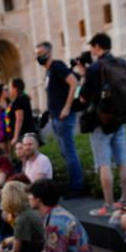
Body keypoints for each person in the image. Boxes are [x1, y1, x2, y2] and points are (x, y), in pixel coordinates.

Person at [82, 33, 126, 217]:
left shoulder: (95, 68)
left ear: (97, 47)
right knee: (122, 160)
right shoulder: (121, 64)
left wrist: (83, 74)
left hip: (101, 122)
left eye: (92, 47)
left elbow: (84, 96)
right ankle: (125, 200)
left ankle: (109, 205)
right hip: (120, 119)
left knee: (104, 164)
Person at [36, 40, 85, 194]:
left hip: (64, 117)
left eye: (40, 54)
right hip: (56, 117)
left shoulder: (57, 66)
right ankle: (74, 183)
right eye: (37, 54)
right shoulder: (49, 71)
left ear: (49, 53)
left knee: (69, 152)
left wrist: (67, 107)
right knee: (65, 152)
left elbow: (74, 82)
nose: (38, 57)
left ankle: (78, 186)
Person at [7, 78, 34, 154]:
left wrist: (15, 137)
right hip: (27, 133)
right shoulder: (24, 98)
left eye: (10, 87)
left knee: (25, 156)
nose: (9, 90)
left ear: (15, 88)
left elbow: (19, 119)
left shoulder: (18, 100)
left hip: (22, 135)